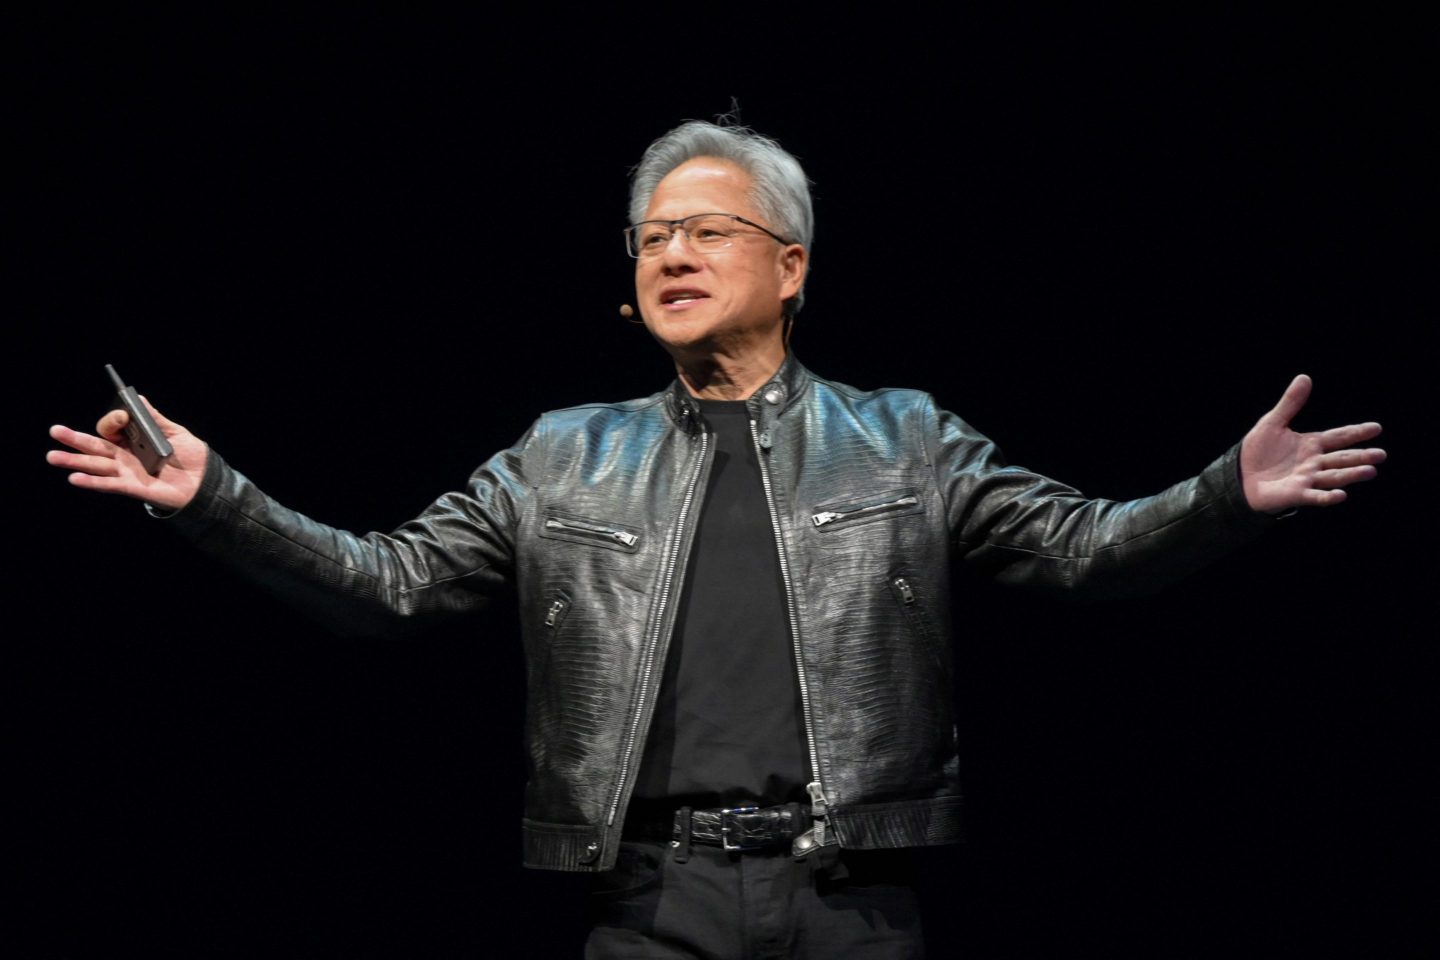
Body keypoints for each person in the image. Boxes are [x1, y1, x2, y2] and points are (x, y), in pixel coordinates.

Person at [47, 120, 1385, 958]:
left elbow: (1084, 549)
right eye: (649, 238)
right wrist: (220, 496)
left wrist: (1225, 493)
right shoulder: (561, 451)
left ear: (792, 264)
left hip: (852, 897)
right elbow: (388, 583)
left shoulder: (905, 436)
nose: (671, 252)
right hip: (647, 902)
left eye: (708, 229)